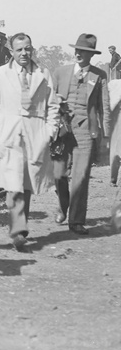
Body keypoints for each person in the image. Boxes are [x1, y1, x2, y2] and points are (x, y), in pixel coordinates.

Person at [0, 33, 59, 251]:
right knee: (13, 185)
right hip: (9, 135)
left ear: (32, 49)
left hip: (35, 134)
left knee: (27, 183)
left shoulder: (43, 74)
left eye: (27, 49)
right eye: (19, 50)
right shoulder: (0, 74)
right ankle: (18, 231)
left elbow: (53, 106)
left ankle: (21, 226)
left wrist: (49, 132)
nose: (24, 53)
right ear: (11, 52)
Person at [51, 34, 110, 235]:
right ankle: (63, 205)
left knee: (81, 176)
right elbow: (49, 102)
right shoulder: (60, 72)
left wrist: (106, 135)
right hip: (62, 130)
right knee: (59, 174)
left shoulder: (99, 75)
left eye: (83, 51)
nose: (78, 53)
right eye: (76, 50)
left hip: (86, 131)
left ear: (91, 55)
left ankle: (76, 221)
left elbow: (105, 107)